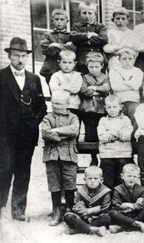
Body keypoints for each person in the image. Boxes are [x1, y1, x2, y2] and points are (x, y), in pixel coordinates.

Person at [0, 37, 47, 221]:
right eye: (16, 56)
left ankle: (19, 211)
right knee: (4, 170)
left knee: (23, 172)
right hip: (4, 136)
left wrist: (33, 124)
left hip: (27, 135)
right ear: (9, 57)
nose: (20, 60)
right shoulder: (1, 77)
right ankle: (1, 209)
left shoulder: (34, 79)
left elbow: (41, 106)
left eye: (23, 56)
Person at [42, 90, 79, 226]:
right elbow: (45, 134)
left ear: (67, 104)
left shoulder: (73, 117)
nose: (56, 106)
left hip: (68, 155)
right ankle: (56, 210)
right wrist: (63, 135)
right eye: (54, 103)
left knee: (70, 182)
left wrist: (56, 131)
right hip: (51, 155)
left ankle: (69, 209)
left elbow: (74, 130)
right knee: (54, 183)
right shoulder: (47, 118)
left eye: (59, 103)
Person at [79, 52, 111, 166]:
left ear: (102, 66)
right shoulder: (84, 77)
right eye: (91, 67)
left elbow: (107, 89)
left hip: (102, 109)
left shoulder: (106, 77)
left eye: (96, 67)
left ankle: (103, 158)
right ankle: (93, 157)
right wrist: (99, 90)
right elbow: (84, 91)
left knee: (101, 133)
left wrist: (94, 88)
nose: (94, 69)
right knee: (90, 134)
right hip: (89, 109)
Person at [97, 95, 133, 189]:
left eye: (114, 107)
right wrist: (118, 134)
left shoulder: (126, 120)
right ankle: (108, 202)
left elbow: (128, 135)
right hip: (107, 155)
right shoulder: (103, 120)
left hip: (123, 155)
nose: (112, 110)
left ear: (120, 107)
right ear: (105, 108)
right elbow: (102, 136)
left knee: (121, 180)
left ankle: (119, 201)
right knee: (108, 180)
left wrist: (111, 133)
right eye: (109, 107)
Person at [63, 166, 112, 237]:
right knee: (68, 216)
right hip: (83, 217)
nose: (92, 181)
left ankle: (81, 229)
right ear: (84, 179)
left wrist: (88, 210)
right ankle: (92, 229)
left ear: (101, 180)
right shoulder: (81, 190)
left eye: (95, 178)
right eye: (89, 178)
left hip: (97, 218)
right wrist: (79, 208)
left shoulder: (105, 191)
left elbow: (105, 208)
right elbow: (76, 206)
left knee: (107, 218)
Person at [107, 163, 144, 233]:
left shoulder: (141, 189)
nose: (131, 179)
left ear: (138, 177)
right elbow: (116, 205)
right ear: (122, 176)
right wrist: (135, 205)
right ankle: (138, 224)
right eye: (129, 176)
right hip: (123, 216)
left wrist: (128, 205)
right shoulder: (117, 189)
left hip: (137, 215)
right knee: (112, 213)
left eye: (134, 176)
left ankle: (122, 227)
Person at [109, 47, 143, 129]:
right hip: (119, 101)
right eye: (124, 59)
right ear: (119, 60)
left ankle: (134, 140)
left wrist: (123, 82)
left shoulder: (138, 71)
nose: (127, 61)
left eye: (130, 59)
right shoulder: (114, 70)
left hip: (133, 101)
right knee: (120, 122)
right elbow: (115, 86)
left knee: (134, 121)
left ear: (134, 60)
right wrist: (130, 84)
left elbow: (136, 86)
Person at [40, 9, 76, 84]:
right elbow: (46, 49)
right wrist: (65, 47)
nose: (59, 21)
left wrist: (56, 45)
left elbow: (74, 49)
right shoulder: (47, 35)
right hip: (51, 70)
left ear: (67, 21)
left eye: (62, 19)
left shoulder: (71, 36)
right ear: (52, 20)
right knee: (54, 93)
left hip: (68, 70)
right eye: (56, 19)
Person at [70, 1, 108, 74]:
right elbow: (73, 37)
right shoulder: (76, 26)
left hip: (99, 59)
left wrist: (85, 42)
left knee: (99, 80)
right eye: (84, 13)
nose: (87, 16)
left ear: (95, 14)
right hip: (82, 60)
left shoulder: (100, 26)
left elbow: (104, 39)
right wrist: (88, 35)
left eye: (90, 13)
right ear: (79, 14)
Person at [49, 50, 83, 116]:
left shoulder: (78, 76)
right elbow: (54, 90)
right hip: (60, 106)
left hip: (74, 106)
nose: (67, 65)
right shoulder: (55, 76)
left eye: (70, 62)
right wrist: (69, 88)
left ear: (74, 64)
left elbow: (76, 89)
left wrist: (62, 86)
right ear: (59, 63)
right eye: (64, 62)